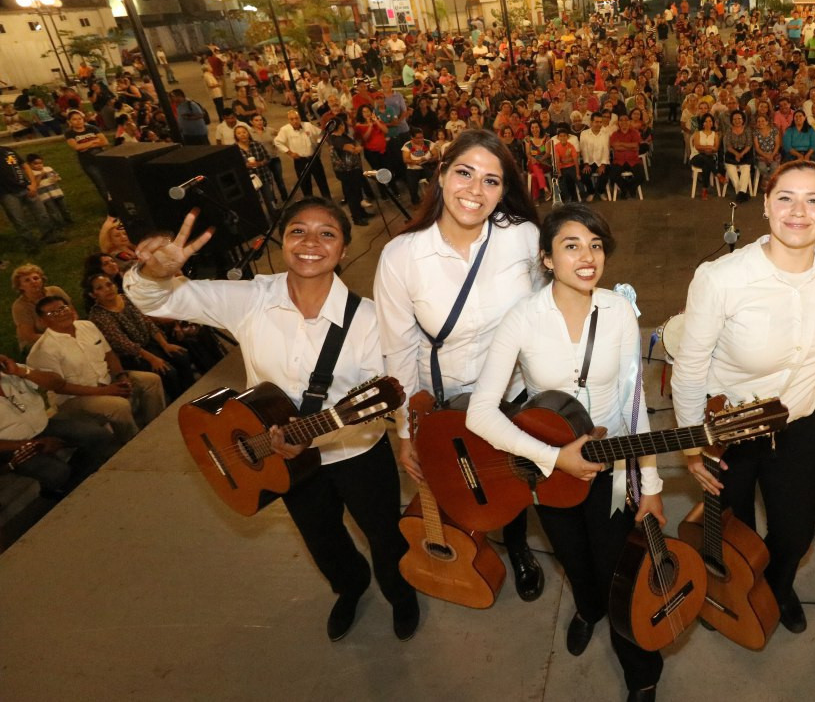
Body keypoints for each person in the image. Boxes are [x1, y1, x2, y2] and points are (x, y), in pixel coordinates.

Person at [125, 199, 421, 642]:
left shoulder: (371, 319)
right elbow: (154, 301)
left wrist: (391, 435)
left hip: (355, 450)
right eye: (299, 231)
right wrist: (155, 272)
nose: (311, 243)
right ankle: (350, 587)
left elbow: (384, 398)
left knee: (383, 532)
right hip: (276, 455)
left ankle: (401, 594)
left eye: (327, 234)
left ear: (342, 250)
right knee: (321, 537)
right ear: (283, 240)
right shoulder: (252, 299)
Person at [466, 203, 664, 702]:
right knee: (574, 559)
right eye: (572, 245)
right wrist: (555, 459)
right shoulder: (523, 319)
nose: (588, 256)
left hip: (610, 470)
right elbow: (480, 413)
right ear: (548, 258)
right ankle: (588, 609)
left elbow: (635, 404)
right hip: (546, 470)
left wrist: (653, 487)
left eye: (596, 245)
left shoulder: (618, 311)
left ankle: (640, 667)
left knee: (618, 568)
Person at [673, 160, 815, 635]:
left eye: (813, 200)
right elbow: (691, 366)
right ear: (765, 205)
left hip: (796, 428)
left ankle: (776, 589)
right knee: (732, 531)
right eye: (786, 198)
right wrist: (693, 446)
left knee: (795, 534)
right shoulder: (720, 278)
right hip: (728, 429)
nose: (799, 211)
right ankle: (730, 587)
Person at [373, 129, 547, 603]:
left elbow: (542, 312)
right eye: (465, 173)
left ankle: (517, 550)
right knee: (461, 479)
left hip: (509, 391)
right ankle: (471, 544)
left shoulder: (523, 238)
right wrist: (404, 433)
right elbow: (398, 351)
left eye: (491, 181)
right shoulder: (401, 257)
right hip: (444, 396)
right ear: (441, 174)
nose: (475, 190)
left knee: (509, 477)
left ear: (503, 190)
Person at [26, 296, 165, 443]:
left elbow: (109, 354)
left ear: (71, 308)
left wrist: (121, 376)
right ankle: (132, 443)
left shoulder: (87, 326)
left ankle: (155, 426)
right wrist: (105, 391)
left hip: (107, 379)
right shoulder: (43, 350)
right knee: (119, 406)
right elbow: (61, 387)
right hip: (75, 398)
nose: (61, 314)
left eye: (62, 308)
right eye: (52, 313)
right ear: (42, 321)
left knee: (151, 380)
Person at [0, 354, 119, 497]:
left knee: (98, 435)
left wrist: (23, 372)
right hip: (11, 447)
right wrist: (32, 444)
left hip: (43, 426)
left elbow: (57, 383)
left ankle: (74, 484)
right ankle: (60, 490)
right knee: (58, 472)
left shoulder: (11, 372)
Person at [84, 273, 195, 402]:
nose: (107, 289)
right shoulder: (98, 316)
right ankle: (180, 402)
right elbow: (124, 343)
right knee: (168, 371)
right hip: (132, 356)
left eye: (109, 284)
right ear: (93, 295)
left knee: (181, 355)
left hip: (150, 344)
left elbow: (147, 322)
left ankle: (192, 395)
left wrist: (165, 345)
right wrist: (153, 359)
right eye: (100, 288)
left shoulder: (125, 298)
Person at [11, 264, 74, 353]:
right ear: (20, 286)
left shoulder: (55, 291)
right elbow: (29, 335)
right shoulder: (20, 306)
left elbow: (73, 313)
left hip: (65, 332)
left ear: (42, 279)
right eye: (27, 280)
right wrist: (59, 338)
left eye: (36, 278)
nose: (33, 282)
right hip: (38, 340)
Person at [275, 110, 331, 199]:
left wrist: (318, 146)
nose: (295, 121)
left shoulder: (307, 125)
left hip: (314, 159)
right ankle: (309, 204)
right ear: (288, 120)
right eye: (292, 119)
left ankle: (328, 201)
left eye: (296, 118)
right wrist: (289, 153)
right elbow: (277, 142)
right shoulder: (285, 130)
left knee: (322, 182)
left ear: (300, 118)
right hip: (300, 161)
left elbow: (321, 134)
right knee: (305, 184)